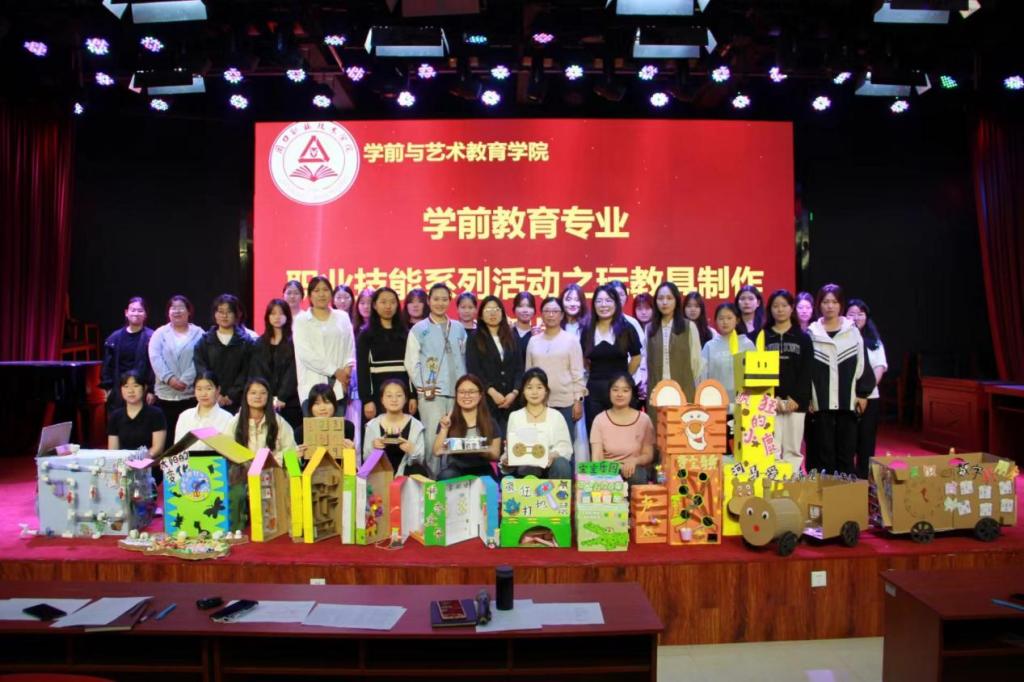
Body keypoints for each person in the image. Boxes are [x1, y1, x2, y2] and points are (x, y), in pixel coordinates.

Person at [807, 284, 875, 476]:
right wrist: (808, 397)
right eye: (825, 302)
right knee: (824, 451)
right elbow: (807, 370)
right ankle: (826, 489)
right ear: (819, 305)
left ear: (841, 305)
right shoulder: (811, 333)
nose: (830, 306)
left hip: (848, 402)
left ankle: (846, 490)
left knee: (846, 451)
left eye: (834, 302)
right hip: (821, 403)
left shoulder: (852, 332)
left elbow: (863, 363)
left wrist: (862, 393)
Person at [403, 283, 467, 475]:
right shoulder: (418, 329)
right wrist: (423, 388)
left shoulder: (459, 328)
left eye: (444, 299)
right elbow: (411, 362)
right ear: (429, 301)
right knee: (433, 439)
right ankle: (431, 483)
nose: (440, 303)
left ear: (450, 301)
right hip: (432, 395)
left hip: (459, 395)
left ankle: (451, 480)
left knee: (455, 439)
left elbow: (464, 358)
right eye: (436, 299)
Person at [763, 290, 813, 472]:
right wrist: (772, 398)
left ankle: (792, 484)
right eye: (775, 306)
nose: (780, 310)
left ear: (792, 308)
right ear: (770, 309)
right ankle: (772, 484)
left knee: (793, 449)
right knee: (771, 448)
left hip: (796, 403)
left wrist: (797, 398)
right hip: (770, 402)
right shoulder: (763, 337)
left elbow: (807, 371)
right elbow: (758, 371)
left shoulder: (803, 338)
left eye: (784, 305)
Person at [582, 285, 642, 435]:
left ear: (616, 303)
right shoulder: (587, 329)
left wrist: (624, 377)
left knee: (621, 432)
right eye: (599, 301)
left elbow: (636, 357)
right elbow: (584, 358)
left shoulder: (626, 328)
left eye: (608, 301)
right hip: (594, 390)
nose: (603, 305)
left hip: (620, 390)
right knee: (596, 432)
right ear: (593, 304)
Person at [525, 296, 586, 435]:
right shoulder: (533, 341)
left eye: (555, 311)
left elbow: (577, 374)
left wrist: (578, 401)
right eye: (546, 311)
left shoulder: (571, 340)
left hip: (565, 403)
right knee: (539, 443)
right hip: (538, 403)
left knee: (564, 444)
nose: (551, 315)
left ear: (562, 315)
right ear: (541, 315)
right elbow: (528, 374)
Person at [293, 276, 356, 407]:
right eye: (316, 290)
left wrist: (346, 376)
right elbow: (306, 355)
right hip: (312, 386)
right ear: (310, 296)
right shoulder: (301, 320)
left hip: (339, 385)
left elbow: (350, 349)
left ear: (331, 293)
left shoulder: (342, 317)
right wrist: (335, 371)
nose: (321, 294)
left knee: (339, 420)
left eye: (325, 290)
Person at [466, 295, 522, 435]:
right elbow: (474, 370)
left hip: (512, 401)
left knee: (513, 440)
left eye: (496, 309)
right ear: (481, 315)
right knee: (491, 439)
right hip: (487, 401)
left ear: (502, 313)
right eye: (488, 310)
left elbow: (519, 368)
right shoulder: (474, 338)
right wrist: (492, 392)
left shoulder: (512, 337)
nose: (492, 313)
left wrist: (514, 393)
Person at [148, 295, 202, 439]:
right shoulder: (159, 333)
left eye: (181, 308)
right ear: (168, 312)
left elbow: (200, 359)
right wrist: (169, 378)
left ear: (189, 311)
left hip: (190, 395)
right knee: (166, 438)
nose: (177, 311)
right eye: (173, 308)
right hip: (164, 396)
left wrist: (185, 380)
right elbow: (155, 358)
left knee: (187, 439)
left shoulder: (198, 333)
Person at [504, 368, 574, 479]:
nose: (534, 392)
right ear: (523, 391)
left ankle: (558, 490)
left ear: (546, 390)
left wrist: (553, 455)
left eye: (539, 387)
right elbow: (511, 449)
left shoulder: (556, 416)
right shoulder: (515, 416)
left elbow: (565, 447)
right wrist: (507, 459)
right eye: (529, 387)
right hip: (524, 470)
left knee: (561, 464)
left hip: (550, 468)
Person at [357, 287, 414, 423]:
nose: (388, 306)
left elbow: (412, 368)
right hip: (376, 397)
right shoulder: (366, 336)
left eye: (392, 302)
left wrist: (413, 396)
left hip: (403, 396)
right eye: (383, 302)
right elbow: (363, 371)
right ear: (374, 305)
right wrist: (367, 400)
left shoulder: (406, 334)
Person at [846, 298, 887, 480]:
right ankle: (846, 478)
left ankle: (864, 478)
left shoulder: (875, 343)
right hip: (846, 398)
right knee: (847, 440)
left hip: (870, 397)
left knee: (866, 440)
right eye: (851, 314)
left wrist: (865, 391)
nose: (856, 318)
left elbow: (880, 368)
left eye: (860, 314)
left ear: (866, 317)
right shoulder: (841, 339)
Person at [589, 372, 655, 484]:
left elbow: (648, 455)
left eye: (625, 390)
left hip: (635, 469)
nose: (619, 394)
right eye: (615, 390)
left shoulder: (644, 420)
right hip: (609, 470)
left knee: (638, 476)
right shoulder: (599, 420)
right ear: (609, 392)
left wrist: (634, 461)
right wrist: (618, 467)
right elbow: (596, 459)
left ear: (632, 393)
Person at [193, 294, 253, 413]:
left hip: (238, 401)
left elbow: (247, 371)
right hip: (210, 399)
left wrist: (231, 395)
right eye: (220, 312)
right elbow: (201, 368)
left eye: (229, 312)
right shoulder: (204, 341)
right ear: (215, 314)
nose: (224, 316)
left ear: (236, 314)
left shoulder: (246, 342)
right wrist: (216, 394)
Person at [434, 374, 502, 480]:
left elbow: (496, 454)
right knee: (446, 476)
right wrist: (444, 429)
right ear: (456, 395)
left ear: (480, 395)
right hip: (455, 469)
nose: (466, 396)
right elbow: (437, 451)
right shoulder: (448, 420)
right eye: (462, 392)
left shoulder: (490, 422)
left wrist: (482, 449)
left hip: (482, 468)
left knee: (488, 482)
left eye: (471, 392)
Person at [249, 298, 301, 434]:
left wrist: (282, 397)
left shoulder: (294, 342)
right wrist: (267, 396)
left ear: (287, 316)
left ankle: (291, 455)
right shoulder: (259, 343)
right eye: (273, 313)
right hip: (265, 401)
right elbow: (257, 371)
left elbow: (293, 372)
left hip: (290, 403)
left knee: (289, 438)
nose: (277, 317)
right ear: (268, 317)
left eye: (281, 313)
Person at [646, 282, 702, 404]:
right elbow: (646, 362)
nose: (664, 302)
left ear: (676, 301)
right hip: (657, 391)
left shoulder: (689, 327)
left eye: (669, 298)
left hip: (683, 389)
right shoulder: (650, 329)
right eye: (660, 298)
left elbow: (696, 362)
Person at [363, 379, 429, 476]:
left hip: (406, 476)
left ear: (405, 399)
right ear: (382, 400)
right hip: (380, 476)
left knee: (417, 470)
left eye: (399, 395)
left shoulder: (416, 425)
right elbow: (366, 460)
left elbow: (421, 461)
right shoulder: (372, 425)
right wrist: (373, 448)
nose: (394, 400)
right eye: (389, 396)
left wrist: (412, 451)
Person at [101, 297, 155, 413]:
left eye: (140, 310)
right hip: (118, 391)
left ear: (145, 314)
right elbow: (107, 366)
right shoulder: (114, 338)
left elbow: (154, 368)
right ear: (126, 312)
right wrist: (108, 388)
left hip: (142, 390)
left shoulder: (152, 338)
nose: (136, 313)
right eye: (133, 310)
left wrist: (151, 390)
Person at [700, 303, 755, 414]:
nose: (725, 322)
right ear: (716, 321)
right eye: (721, 318)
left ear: (737, 320)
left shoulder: (747, 344)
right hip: (716, 405)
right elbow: (702, 377)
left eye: (729, 318)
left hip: (743, 406)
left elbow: (754, 377)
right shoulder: (710, 346)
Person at [226, 377, 296, 463]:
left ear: (268, 397)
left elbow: (291, 451)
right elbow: (227, 451)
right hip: (243, 469)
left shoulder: (279, 422)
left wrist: (267, 461)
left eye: (263, 393)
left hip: (272, 469)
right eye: (253, 393)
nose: (258, 396)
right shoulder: (235, 422)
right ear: (246, 396)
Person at [107, 370, 166, 457]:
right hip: (123, 462)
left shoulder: (156, 414)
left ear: (144, 388)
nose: (131, 391)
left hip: (149, 462)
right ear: (121, 390)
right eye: (126, 386)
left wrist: (137, 460)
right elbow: (113, 450)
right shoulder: (115, 416)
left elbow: (158, 448)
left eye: (136, 386)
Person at [173, 371, 233, 446]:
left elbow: (228, 448)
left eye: (208, 389)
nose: (204, 394)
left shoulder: (228, 418)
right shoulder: (185, 416)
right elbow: (178, 447)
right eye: (199, 389)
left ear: (218, 390)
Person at [609, 280, 648, 395]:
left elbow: (641, 353)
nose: (618, 298)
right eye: (614, 294)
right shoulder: (596, 323)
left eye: (621, 294)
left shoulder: (632, 323)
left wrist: (628, 376)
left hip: (629, 380)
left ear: (626, 297)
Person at [510, 291, 538, 362]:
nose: (525, 310)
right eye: (520, 306)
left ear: (534, 311)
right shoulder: (507, 332)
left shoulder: (537, 335)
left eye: (529, 306)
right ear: (514, 309)